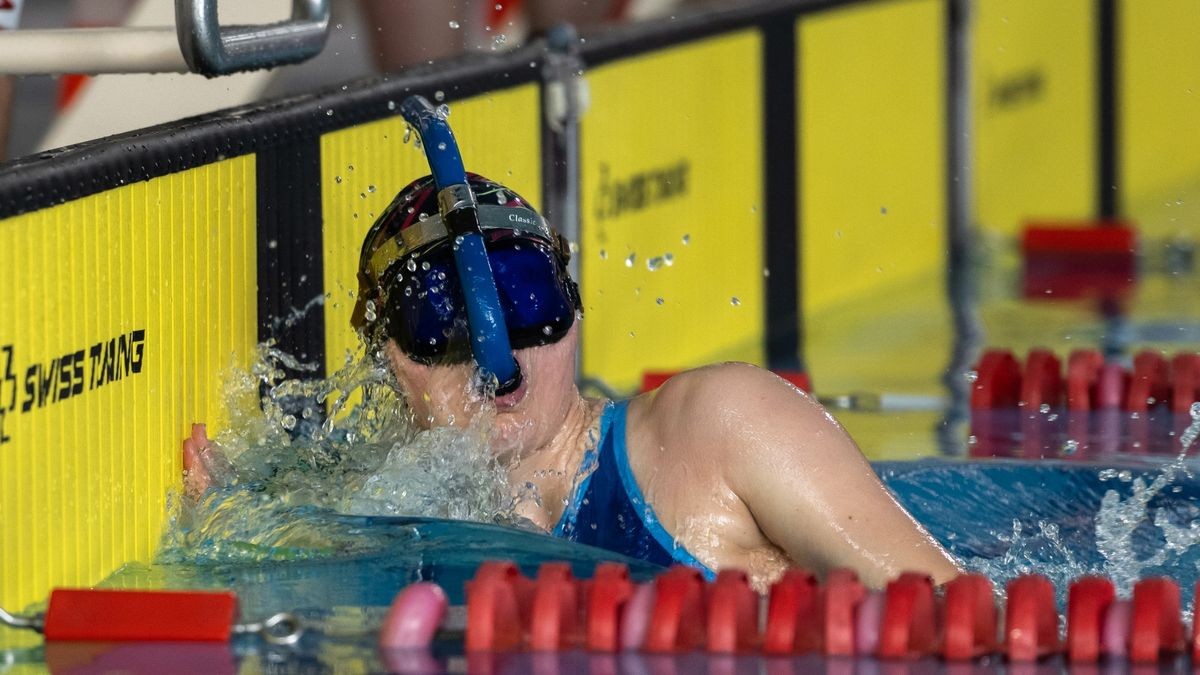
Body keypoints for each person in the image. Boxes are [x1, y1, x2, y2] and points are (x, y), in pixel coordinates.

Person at [347, 173, 962, 590]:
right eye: (442, 317)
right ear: (392, 360)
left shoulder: (716, 426)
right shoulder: (378, 519)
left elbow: (951, 611)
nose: (497, 348)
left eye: (526, 297)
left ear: (575, 312)